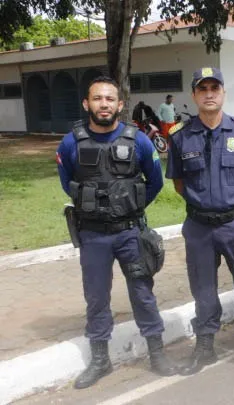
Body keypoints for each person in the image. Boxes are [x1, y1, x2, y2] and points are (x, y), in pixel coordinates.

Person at [56, 76, 176, 389]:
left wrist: (130, 208)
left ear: (120, 105)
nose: (104, 104)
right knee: (96, 299)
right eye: (97, 99)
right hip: (93, 236)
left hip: (130, 234)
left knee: (142, 294)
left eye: (110, 99)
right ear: (87, 104)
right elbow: (67, 182)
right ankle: (100, 360)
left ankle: (157, 352)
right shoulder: (71, 142)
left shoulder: (139, 140)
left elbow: (155, 181)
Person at [165, 67, 234, 377]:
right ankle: (205, 346)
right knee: (202, 288)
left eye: (215, 87)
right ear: (195, 95)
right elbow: (179, 184)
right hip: (199, 227)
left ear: (223, 92)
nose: (209, 93)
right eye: (203, 89)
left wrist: (229, 202)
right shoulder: (180, 136)